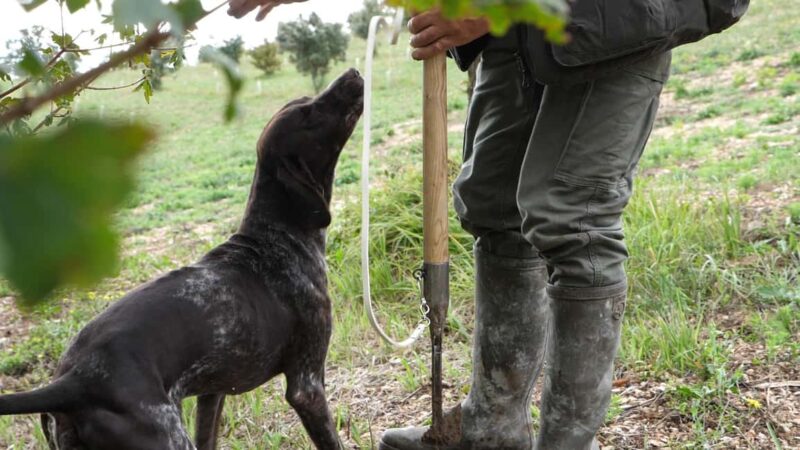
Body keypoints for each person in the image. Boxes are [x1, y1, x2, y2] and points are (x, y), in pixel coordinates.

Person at [229, 1, 670, 449]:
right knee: (493, 205)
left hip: (611, 23)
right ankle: (493, 429)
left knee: (571, 218)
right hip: (519, 44)